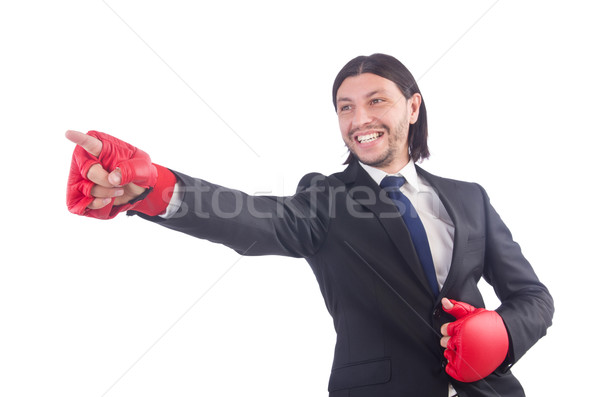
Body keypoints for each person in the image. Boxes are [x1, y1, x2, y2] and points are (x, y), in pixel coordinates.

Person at [65, 53, 553, 397]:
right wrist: (156, 187)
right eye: (345, 106)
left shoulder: (470, 198)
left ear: (413, 106)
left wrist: (503, 334)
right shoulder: (326, 196)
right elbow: (256, 219)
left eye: (376, 101)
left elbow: (534, 297)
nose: (359, 118)